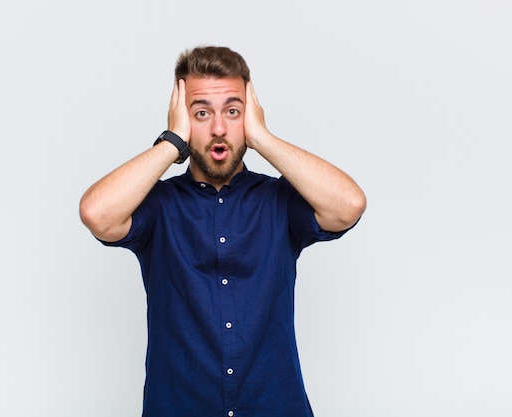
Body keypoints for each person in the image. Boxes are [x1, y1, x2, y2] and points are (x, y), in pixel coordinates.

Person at [79, 45, 366, 417]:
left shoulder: (278, 200)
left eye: (233, 111)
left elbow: (349, 206)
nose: (218, 128)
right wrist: (172, 142)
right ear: (182, 118)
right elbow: (96, 214)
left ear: (250, 116)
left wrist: (262, 138)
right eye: (201, 113)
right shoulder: (159, 205)